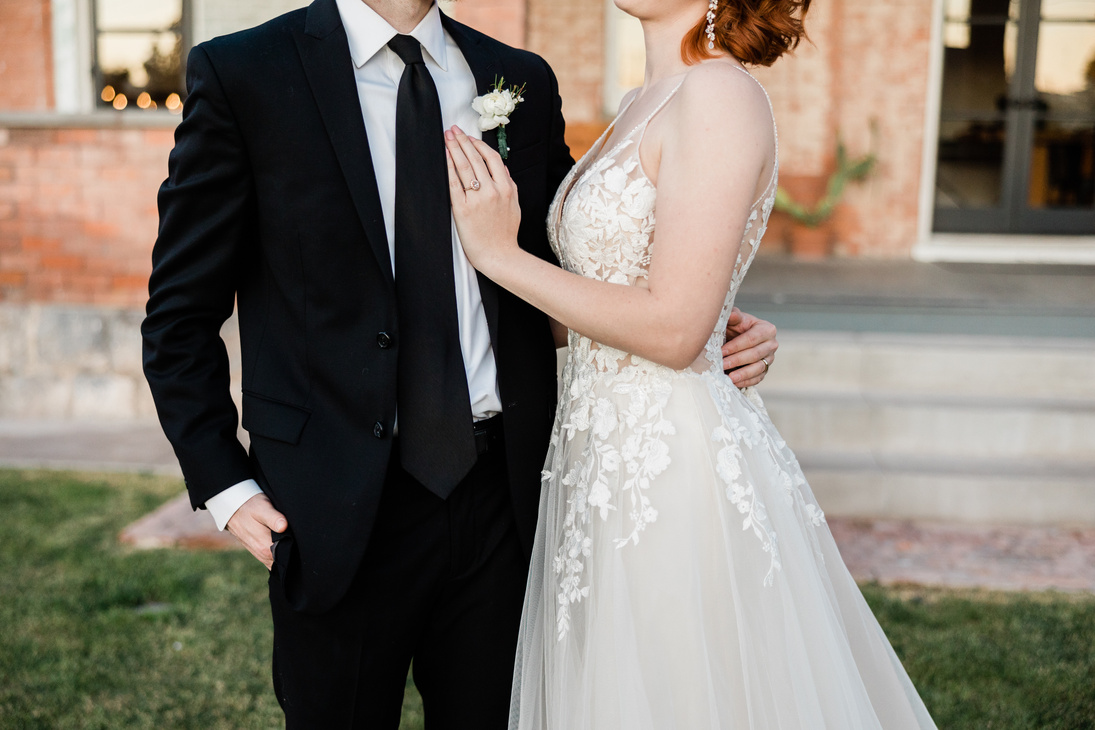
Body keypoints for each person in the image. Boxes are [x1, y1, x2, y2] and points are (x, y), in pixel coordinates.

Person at [141, 0, 779, 726]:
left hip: (504, 498)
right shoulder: (246, 72)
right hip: (333, 504)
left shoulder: (519, 78)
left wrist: (713, 322)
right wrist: (225, 485)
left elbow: (575, 276)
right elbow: (179, 315)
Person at [443, 0, 939, 727]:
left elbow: (675, 329)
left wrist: (498, 255)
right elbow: (600, 306)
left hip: (669, 465)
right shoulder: (641, 101)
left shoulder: (719, 94)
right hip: (594, 458)